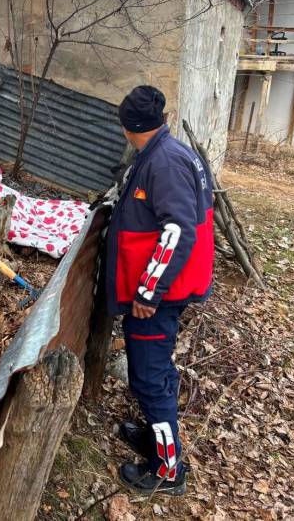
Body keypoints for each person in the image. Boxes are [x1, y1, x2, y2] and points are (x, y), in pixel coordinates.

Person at [102, 85, 214, 495]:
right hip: (167, 289)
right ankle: (156, 437)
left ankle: (168, 470)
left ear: (131, 127)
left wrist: (149, 291)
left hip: (160, 296)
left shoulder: (164, 163)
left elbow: (178, 230)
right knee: (155, 367)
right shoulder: (165, 152)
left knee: (148, 377)